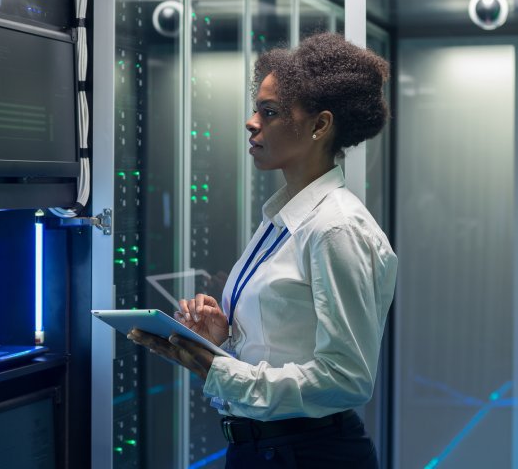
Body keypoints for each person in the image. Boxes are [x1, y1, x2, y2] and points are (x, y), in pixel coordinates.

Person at [129, 32, 397, 468]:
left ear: (320, 125)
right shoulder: (284, 218)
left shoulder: (335, 228)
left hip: (310, 454)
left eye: (269, 112)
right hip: (264, 449)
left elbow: (347, 379)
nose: (252, 122)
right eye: (256, 109)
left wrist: (219, 372)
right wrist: (221, 342)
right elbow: (280, 349)